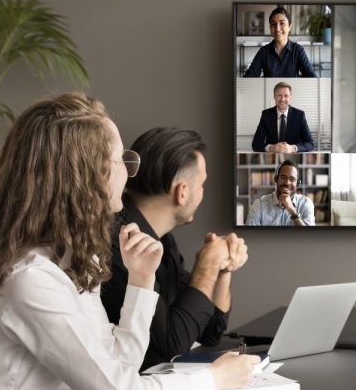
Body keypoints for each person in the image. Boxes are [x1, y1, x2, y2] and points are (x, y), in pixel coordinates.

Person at [0, 93, 259, 390]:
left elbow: (120, 367)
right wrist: (213, 379)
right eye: (123, 161)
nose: (130, 174)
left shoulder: (66, 259)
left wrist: (141, 282)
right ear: (88, 175)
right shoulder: (31, 279)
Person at [101, 127, 249, 371]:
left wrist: (223, 268)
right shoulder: (121, 244)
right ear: (182, 192)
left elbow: (210, 332)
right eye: (202, 185)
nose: (202, 193)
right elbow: (172, 344)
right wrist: (208, 264)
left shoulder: (163, 241)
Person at [242, 6, 316, 78]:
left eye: (282, 23)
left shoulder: (297, 50)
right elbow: (248, 78)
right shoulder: (263, 52)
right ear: (270, 27)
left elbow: (313, 79)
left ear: (289, 26)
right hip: (270, 90)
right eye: (273, 24)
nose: (277, 29)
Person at [246, 159, 315, 226]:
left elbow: (310, 236)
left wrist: (291, 209)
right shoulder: (259, 205)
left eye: (292, 179)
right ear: (276, 179)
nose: (287, 183)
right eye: (283, 177)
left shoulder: (306, 203)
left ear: (298, 183)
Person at [252, 81, 314, 153]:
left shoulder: (299, 115)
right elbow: (256, 144)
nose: (282, 99)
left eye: (286, 96)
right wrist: (272, 148)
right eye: (279, 95)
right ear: (274, 97)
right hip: (272, 157)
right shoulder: (266, 115)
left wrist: (292, 148)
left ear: (290, 97)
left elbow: (310, 143)